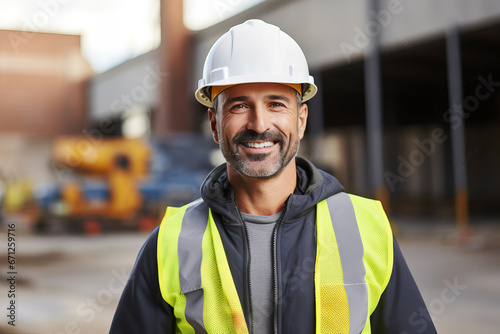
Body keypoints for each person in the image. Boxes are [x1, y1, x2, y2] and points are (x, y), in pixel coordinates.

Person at [110, 19, 437, 334]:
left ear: (301, 119)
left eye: (276, 103)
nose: (258, 124)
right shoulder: (170, 242)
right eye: (239, 106)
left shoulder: (367, 227)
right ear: (213, 123)